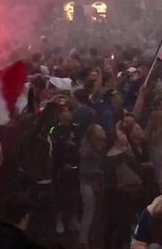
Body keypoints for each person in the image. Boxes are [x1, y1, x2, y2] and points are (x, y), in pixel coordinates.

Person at [50, 106, 80, 234]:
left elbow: (80, 146)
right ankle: (59, 220)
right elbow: (54, 149)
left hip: (75, 168)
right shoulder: (54, 130)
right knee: (60, 195)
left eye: (68, 110)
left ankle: (73, 218)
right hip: (60, 169)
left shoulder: (76, 128)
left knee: (74, 195)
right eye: (64, 111)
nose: (67, 113)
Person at [79, 124, 106, 248]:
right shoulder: (88, 150)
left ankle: (90, 237)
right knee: (89, 212)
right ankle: (83, 240)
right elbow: (83, 171)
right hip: (88, 184)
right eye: (99, 129)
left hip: (96, 184)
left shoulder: (101, 147)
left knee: (94, 212)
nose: (103, 130)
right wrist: (98, 171)